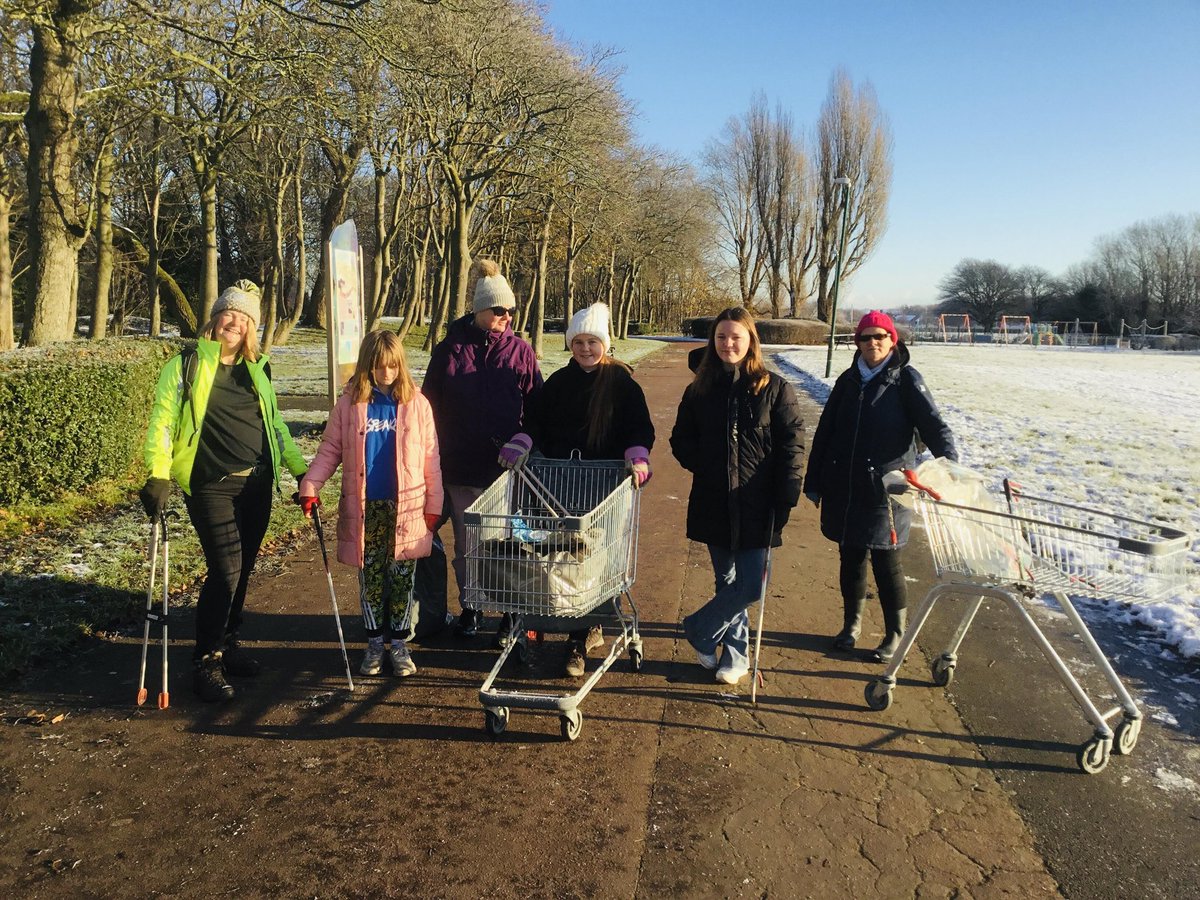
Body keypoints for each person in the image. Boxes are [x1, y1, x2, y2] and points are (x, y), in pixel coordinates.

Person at [141, 279, 308, 703]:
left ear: (252, 327)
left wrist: (300, 471)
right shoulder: (186, 365)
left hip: (257, 483)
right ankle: (205, 661)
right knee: (226, 570)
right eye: (227, 314)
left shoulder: (260, 368)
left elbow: (275, 426)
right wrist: (158, 474)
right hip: (210, 484)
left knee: (243, 568)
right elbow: (163, 422)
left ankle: (228, 644)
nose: (234, 322)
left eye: (243, 317)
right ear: (214, 322)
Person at [500, 302, 654, 677]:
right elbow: (535, 419)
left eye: (593, 341)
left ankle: (580, 637)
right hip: (558, 488)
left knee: (594, 561)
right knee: (562, 560)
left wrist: (637, 454)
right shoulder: (558, 383)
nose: (586, 349)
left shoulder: (622, 384)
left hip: (604, 489)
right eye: (579, 341)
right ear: (570, 344)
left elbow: (640, 426)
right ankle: (564, 623)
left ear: (605, 343)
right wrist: (522, 440)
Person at [803, 310, 958, 662]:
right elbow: (826, 431)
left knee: (887, 564)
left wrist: (948, 467)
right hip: (845, 485)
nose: (872, 343)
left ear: (893, 340)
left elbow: (935, 427)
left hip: (887, 490)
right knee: (851, 557)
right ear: (856, 343)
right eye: (865, 337)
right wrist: (815, 480)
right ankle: (851, 626)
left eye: (880, 337)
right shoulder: (847, 380)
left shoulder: (906, 380)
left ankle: (894, 634)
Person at [670, 307, 804, 685]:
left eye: (736, 337)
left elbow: (792, 443)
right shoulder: (698, 390)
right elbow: (681, 440)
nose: (728, 344)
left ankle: (700, 629)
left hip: (758, 502)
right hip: (714, 499)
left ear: (750, 342)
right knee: (726, 582)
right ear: (713, 342)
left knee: (751, 584)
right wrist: (708, 465)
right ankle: (735, 654)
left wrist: (787, 491)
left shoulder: (775, 388)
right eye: (721, 337)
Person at [298, 330, 443, 677]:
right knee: (372, 578)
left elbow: (431, 457)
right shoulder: (350, 404)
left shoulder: (417, 404)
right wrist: (311, 484)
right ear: (368, 366)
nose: (387, 374)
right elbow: (330, 449)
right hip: (366, 508)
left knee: (402, 580)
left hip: (407, 508)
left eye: (393, 367)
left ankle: (400, 644)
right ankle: (375, 642)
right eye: (379, 367)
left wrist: (434, 504)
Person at [422, 258, 543, 639]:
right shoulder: (449, 350)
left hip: (506, 470)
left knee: (507, 545)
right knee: (466, 545)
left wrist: (525, 438)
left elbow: (538, 407)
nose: (507, 317)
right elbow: (428, 404)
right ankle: (470, 607)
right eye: (499, 310)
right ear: (480, 310)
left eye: (510, 310)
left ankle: (510, 613)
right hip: (458, 466)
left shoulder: (521, 352)